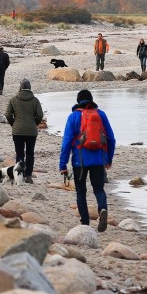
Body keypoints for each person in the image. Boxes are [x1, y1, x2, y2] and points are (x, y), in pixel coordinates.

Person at [60, 89, 116, 231]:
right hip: (98, 160)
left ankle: (85, 222)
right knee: (99, 189)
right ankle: (102, 209)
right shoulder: (101, 115)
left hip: (80, 161)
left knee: (81, 191)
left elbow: (66, 142)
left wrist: (63, 164)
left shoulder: (73, 117)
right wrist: (108, 159)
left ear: (78, 101)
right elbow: (111, 139)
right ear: (91, 100)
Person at [4, 78, 44, 183]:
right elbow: (40, 115)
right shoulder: (35, 100)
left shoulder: (13, 100)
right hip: (31, 131)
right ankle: (28, 176)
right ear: (30, 88)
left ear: (20, 88)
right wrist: (35, 123)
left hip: (17, 131)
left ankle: (19, 176)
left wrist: (13, 124)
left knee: (19, 153)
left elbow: (8, 114)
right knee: (30, 153)